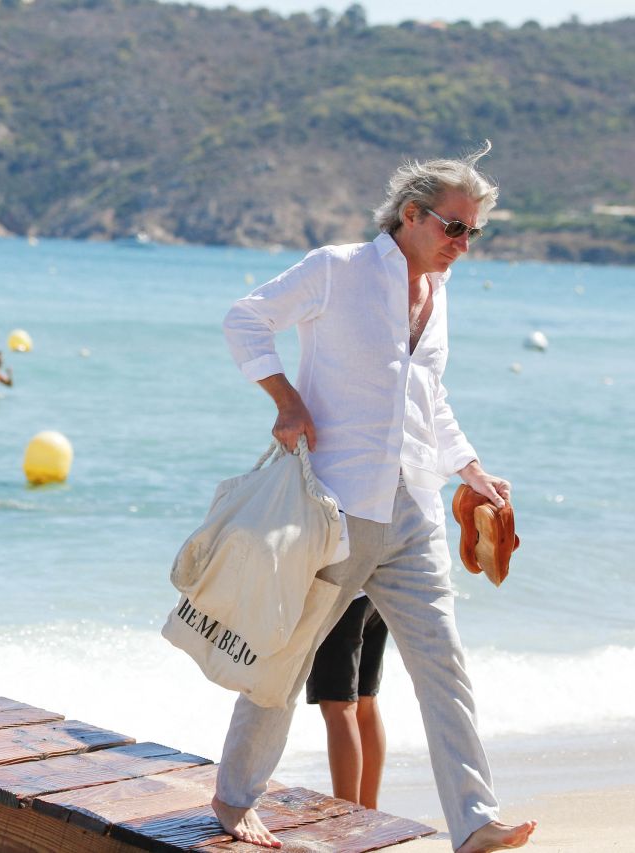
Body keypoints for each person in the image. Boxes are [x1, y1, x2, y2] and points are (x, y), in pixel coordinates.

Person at [215, 143, 536, 853]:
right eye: (454, 227)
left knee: (443, 664)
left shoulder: (438, 292)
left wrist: (470, 467)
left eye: (473, 232)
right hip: (337, 508)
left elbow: (429, 400)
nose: (463, 244)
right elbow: (245, 317)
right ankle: (235, 797)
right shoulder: (339, 269)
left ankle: (475, 820)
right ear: (412, 215)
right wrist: (286, 398)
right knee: (286, 655)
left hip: (412, 510)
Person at [306, 593, 388, 809]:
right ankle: (370, 812)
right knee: (366, 700)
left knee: (339, 706)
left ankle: (348, 814)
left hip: (340, 592)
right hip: (374, 590)